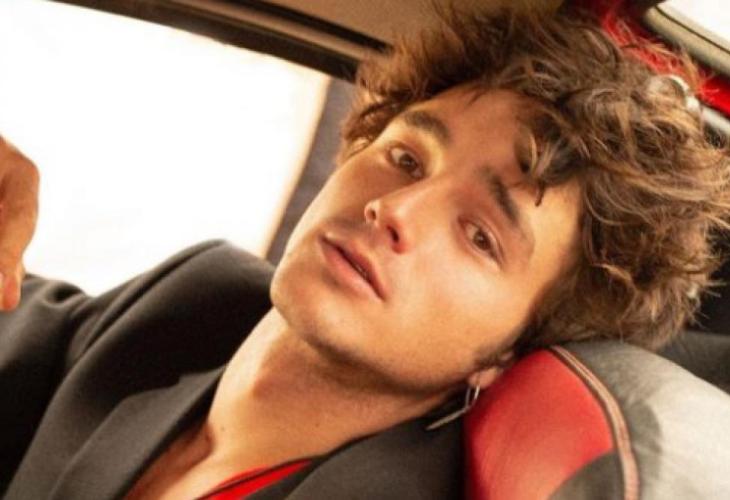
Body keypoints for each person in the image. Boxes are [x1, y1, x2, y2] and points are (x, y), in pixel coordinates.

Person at [1, 5, 729, 500]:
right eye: (407, 158)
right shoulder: (195, 303)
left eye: (480, 235)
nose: (396, 210)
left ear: (509, 351)